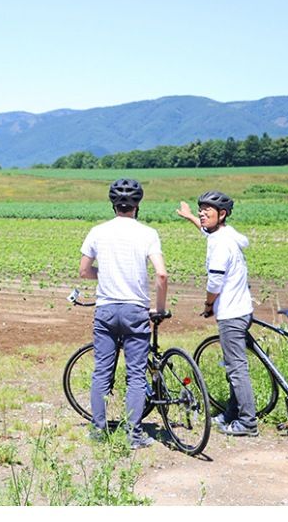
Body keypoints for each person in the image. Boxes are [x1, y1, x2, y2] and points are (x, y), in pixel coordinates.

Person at [79, 178, 169, 449]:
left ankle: (98, 431)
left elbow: (84, 271)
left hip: (106, 309)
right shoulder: (148, 233)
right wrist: (160, 308)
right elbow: (161, 274)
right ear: (137, 204)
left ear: (113, 204)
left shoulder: (97, 231)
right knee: (136, 375)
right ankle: (133, 433)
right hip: (135, 310)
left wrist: (104, 274)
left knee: (102, 373)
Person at [176, 192, 257, 436]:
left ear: (221, 214)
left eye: (206, 211)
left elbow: (214, 284)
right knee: (235, 365)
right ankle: (232, 413)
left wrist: (209, 305)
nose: (202, 213)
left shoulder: (220, 244)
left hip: (231, 313)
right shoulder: (226, 234)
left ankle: (247, 422)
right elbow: (205, 231)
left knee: (236, 368)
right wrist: (190, 216)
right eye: (200, 209)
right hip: (242, 308)